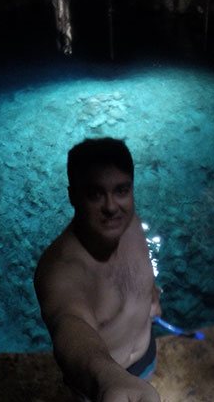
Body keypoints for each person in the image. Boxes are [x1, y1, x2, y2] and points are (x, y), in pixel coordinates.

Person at [34, 138, 162, 402]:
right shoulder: (61, 268)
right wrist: (107, 378)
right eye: (95, 194)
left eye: (121, 190)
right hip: (103, 384)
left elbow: (144, 272)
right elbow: (69, 324)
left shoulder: (130, 225)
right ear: (73, 196)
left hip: (146, 354)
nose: (111, 206)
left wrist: (153, 296)